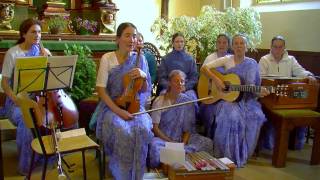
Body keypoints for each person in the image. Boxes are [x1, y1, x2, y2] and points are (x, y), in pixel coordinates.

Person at [90, 22, 153, 179]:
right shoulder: (108, 58)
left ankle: (136, 174)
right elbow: (101, 90)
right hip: (112, 106)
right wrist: (118, 111)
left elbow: (145, 90)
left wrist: (143, 76)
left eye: (134, 36)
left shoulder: (141, 59)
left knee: (143, 129)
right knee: (122, 131)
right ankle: (121, 173)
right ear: (117, 39)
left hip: (134, 106)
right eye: (127, 35)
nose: (131, 39)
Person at [200, 34, 269, 167]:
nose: (238, 46)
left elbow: (253, 87)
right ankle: (225, 156)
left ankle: (239, 155)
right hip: (227, 99)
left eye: (241, 43)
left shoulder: (252, 64)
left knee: (255, 115)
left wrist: (259, 92)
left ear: (246, 47)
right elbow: (204, 68)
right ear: (232, 46)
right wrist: (217, 80)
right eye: (236, 43)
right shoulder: (227, 59)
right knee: (232, 116)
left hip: (246, 101)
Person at [1, 18, 51, 175]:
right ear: (23, 34)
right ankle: (26, 164)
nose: (37, 35)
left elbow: (49, 82)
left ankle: (47, 154)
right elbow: (5, 83)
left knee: (55, 115)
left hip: (38, 100)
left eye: (39, 32)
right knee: (25, 119)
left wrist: (47, 59)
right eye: (33, 32)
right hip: (16, 101)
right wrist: (14, 98)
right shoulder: (13, 53)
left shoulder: (43, 52)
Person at [259, 35, 317, 150]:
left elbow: (300, 71)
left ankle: (296, 143)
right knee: (272, 115)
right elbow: (260, 79)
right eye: (275, 47)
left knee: (303, 98)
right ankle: (270, 145)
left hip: (287, 98)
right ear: (271, 47)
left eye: (280, 47)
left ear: (284, 48)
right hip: (270, 97)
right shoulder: (264, 59)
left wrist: (309, 75)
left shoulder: (291, 59)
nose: (277, 49)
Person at [149, 69, 213, 168]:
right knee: (154, 147)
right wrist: (170, 142)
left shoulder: (187, 101)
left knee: (207, 143)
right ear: (170, 83)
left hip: (181, 140)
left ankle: (176, 155)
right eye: (176, 81)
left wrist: (182, 144)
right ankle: (181, 157)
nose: (179, 84)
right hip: (163, 140)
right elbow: (155, 128)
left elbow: (188, 129)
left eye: (182, 81)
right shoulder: (160, 101)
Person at [200, 34, 231, 137]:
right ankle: (210, 136)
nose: (221, 45)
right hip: (211, 92)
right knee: (209, 110)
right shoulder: (210, 58)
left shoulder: (231, 59)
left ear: (228, 45)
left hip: (226, 95)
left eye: (224, 42)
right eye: (219, 42)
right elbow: (202, 77)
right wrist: (214, 82)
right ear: (216, 44)